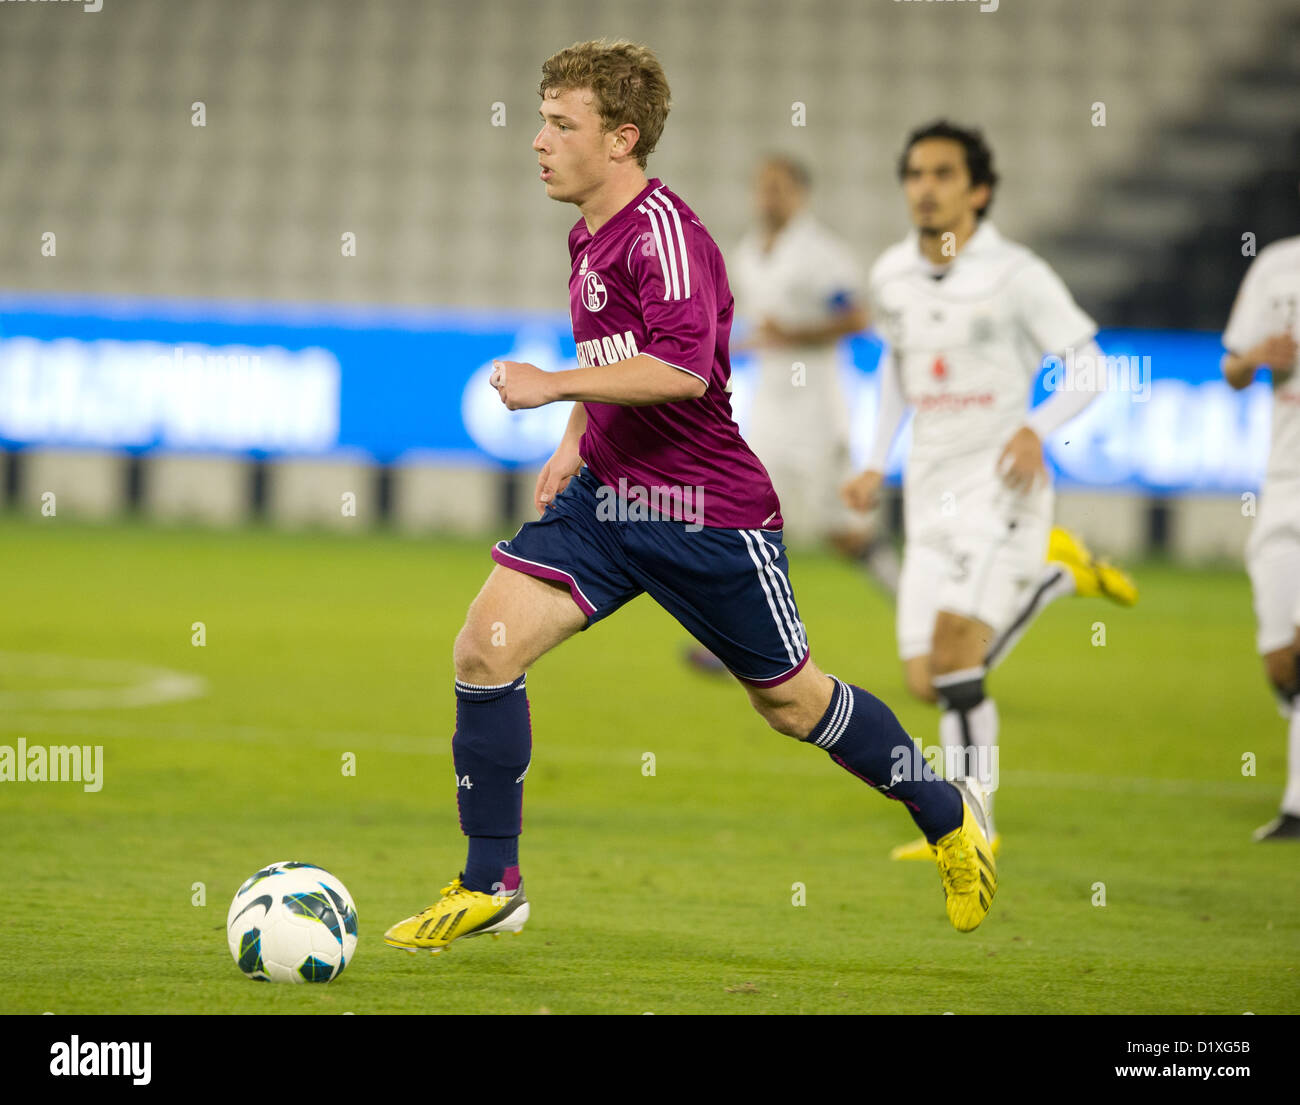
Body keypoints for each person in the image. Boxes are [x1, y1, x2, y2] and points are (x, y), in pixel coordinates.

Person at [384, 43, 996, 954]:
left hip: (706, 512)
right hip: (607, 503)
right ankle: (491, 882)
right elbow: (610, 352)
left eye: (563, 124)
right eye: (541, 120)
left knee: (793, 702)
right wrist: (573, 437)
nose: (539, 141)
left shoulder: (666, 234)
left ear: (622, 139)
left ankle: (947, 813)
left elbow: (676, 370)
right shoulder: (587, 232)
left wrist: (551, 388)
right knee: (485, 647)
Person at [843, 120, 1138, 860]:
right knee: (924, 678)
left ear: (977, 190)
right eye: (914, 174)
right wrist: (875, 459)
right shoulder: (891, 275)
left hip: (1001, 490)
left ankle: (974, 828)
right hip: (930, 492)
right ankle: (1055, 575)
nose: (926, 188)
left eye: (943, 174)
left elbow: (1090, 366)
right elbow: (893, 369)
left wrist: (1037, 426)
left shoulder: (1017, 274)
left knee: (953, 659)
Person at [1221, 214, 1300, 840]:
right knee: (1282, 660)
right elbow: (1232, 369)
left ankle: (1296, 809)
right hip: (1283, 485)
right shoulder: (1276, 263)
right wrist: (1256, 356)